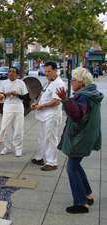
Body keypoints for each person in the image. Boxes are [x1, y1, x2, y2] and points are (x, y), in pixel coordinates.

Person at [56, 67, 103, 214]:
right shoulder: (89, 93)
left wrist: (65, 100)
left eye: (73, 80)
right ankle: (87, 195)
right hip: (85, 135)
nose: (71, 83)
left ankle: (81, 203)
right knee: (76, 166)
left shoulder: (84, 96)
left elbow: (77, 115)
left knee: (72, 169)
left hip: (82, 137)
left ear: (81, 83)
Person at [31, 61, 65, 171]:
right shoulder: (48, 81)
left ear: (55, 70)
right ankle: (39, 157)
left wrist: (43, 105)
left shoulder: (58, 83)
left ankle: (52, 162)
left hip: (52, 115)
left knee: (50, 138)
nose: (46, 73)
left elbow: (57, 101)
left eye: (49, 71)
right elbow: (42, 93)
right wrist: (36, 102)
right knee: (42, 137)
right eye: (45, 71)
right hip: (44, 115)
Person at [0, 67, 29, 157]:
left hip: (18, 108)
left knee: (18, 129)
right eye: (10, 71)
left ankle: (18, 148)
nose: (11, 73)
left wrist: (17, 95)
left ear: (17, 74)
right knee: (6, 129)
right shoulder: (4, 83)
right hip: (7, 108)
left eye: (13, 72)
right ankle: (7, 147)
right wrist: (5, 94)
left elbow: (26, 98)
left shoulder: (21, 83)